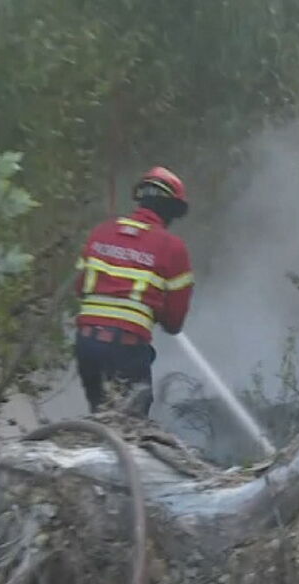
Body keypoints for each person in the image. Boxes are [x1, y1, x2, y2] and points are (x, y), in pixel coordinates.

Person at [73, 166, 194, 418]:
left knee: (100, 413)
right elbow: (174, 322)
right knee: (132, 421)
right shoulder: (172, 248)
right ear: (171, 209)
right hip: (126, 348)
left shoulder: (101, 232)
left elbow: (80, 287)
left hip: (86, 345)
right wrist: (155, 306)